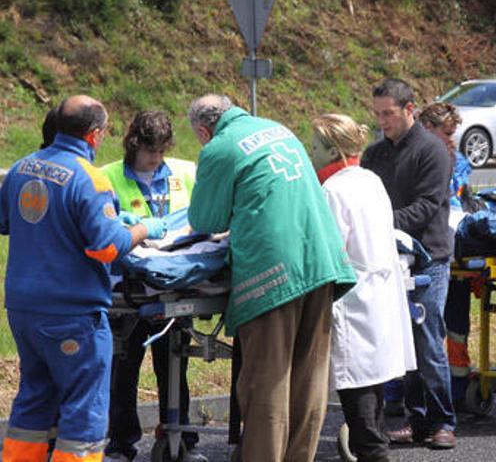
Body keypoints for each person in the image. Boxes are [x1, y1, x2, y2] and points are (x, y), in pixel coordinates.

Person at [186, 94, 356, 462]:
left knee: (268, 382)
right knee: (308, 380)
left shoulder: (220, 147)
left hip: (274, 272)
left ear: (203, 129)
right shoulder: (279, 129)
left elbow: (205, 220)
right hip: (322, 261)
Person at [0, 95, 167, 462]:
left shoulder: (22, 168)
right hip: (73, 315)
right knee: (83, 413)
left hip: (24, 311)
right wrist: (143, 228)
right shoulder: (90, 180)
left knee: (33, 399)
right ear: (94, 136)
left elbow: (5, 222)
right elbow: (108, 248)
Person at [311, 113, 417, 462]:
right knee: (373, 388)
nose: (310, 154)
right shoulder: (370, 179)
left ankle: (373, 453)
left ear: (330, 151)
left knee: (359, 396)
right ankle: (371, 449)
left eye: (314, 147)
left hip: (353, 299)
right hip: (380, 294)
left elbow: (330, 251)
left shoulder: (332, 190)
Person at [101, 111, 204, 462]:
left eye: (161, 151)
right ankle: (121, 444)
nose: (156, 159)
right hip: (127, 287)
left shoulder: (185, 172)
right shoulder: (108, 177)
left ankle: (180, 439)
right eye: (149, 152)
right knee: (124, 371)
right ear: (133, 144)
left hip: (175, 283)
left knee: (175, 366)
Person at [363, 79, 457, 449]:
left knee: (428, 341)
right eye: (378, 114)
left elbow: (426, 206)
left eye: (388, 113)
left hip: (428, 258)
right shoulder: (374, 155)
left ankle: (442, 422)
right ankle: (416, 420)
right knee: (400, 346)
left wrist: (377, 222)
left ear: (409, 109)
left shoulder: (433, 150)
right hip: (388, 258)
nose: (382, 121)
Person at [418, 102, 475, 411]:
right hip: (427, 252)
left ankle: (457, 385)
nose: (452, 140)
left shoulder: (458, 160)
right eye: (447, 133)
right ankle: (404, 392)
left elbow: (463, 199)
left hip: (452, 249)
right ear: (428, 129)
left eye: (455, 134)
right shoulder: (411, 157)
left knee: (455, 323)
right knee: (421, 324)